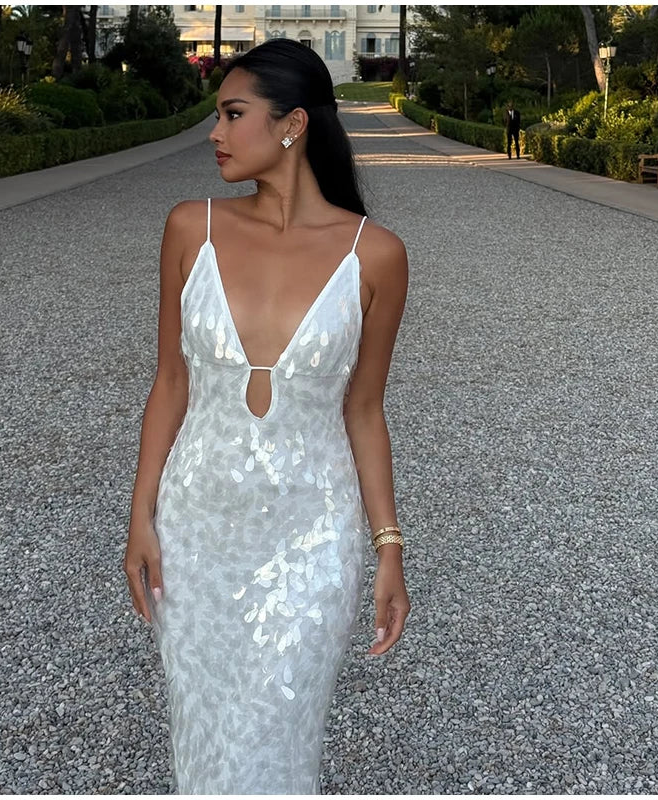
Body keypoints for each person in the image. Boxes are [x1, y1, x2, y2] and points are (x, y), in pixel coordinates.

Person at [123, 38, 411, 794]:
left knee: (278, 734)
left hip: (311, 540)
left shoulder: (375, 255)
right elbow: (170, 382)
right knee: (206, 737)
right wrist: (140, 516)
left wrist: (388, 547)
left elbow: (366, 410)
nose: (214, 134)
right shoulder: (192, 228)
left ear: (292, 125)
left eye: (232, 114)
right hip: (197, 534)